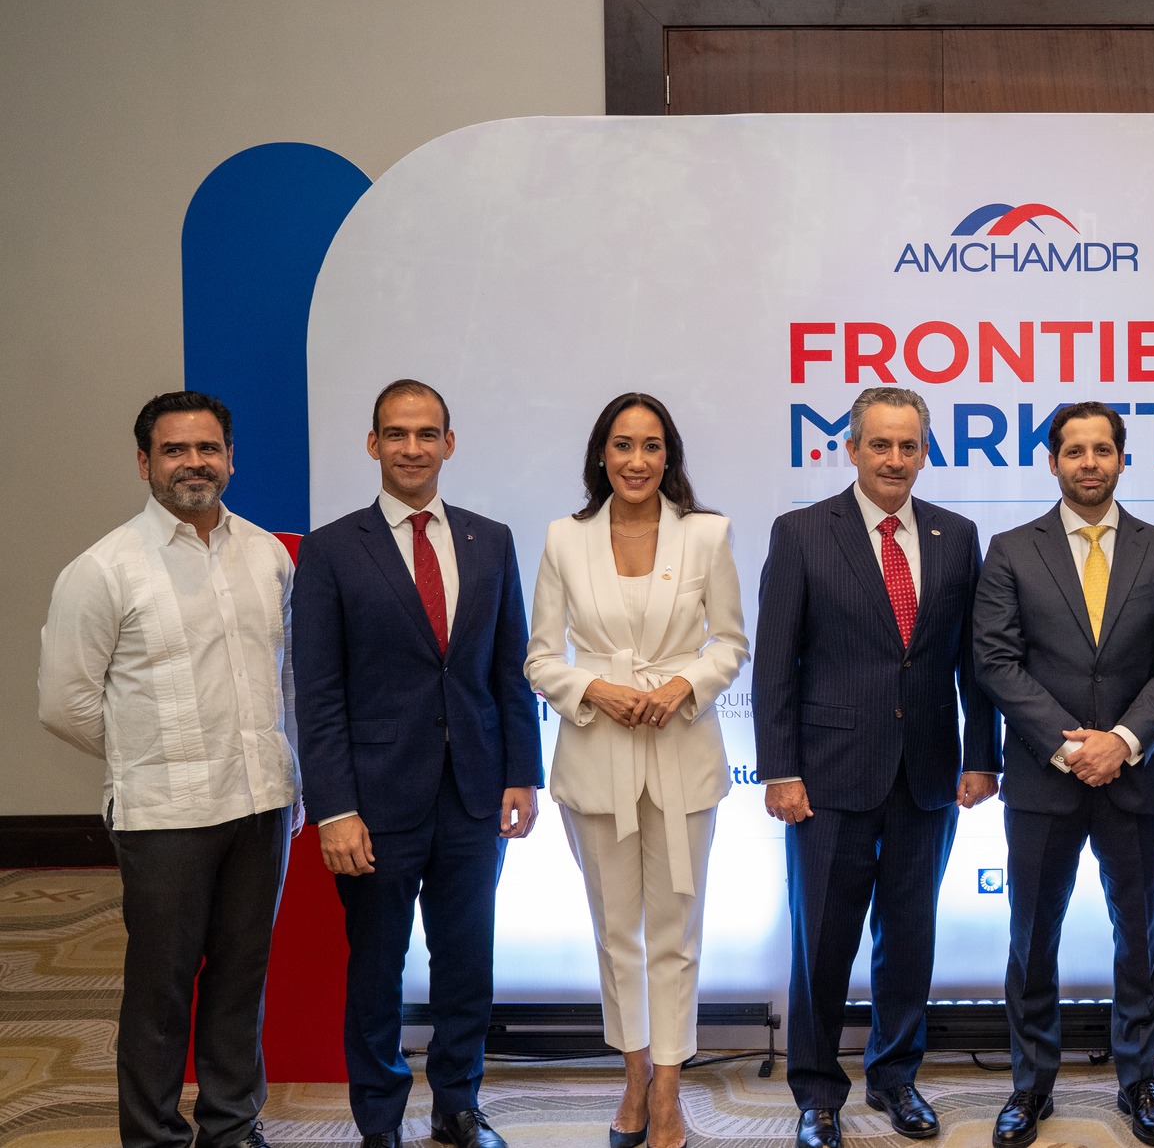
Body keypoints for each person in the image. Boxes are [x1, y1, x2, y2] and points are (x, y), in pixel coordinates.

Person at [38, 391, 300, 1148]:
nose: (194, 463)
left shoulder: (268, 555)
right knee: (161, 990)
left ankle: (231, 1126)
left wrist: (291, 777)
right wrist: (154, 753)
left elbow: (285, 677)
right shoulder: (104, 569)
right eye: (175, 450)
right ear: (144, 462)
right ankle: (152, 1137)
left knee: (241, 977)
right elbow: (64, 702)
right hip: (163, 815)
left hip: (261, 804)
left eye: (208, 448)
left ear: (230, 459)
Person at [294, 379, 544, 1148]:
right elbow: (319, 690)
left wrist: (522, 773)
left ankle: (458, 1104)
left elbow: (509, 669)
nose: (412, 447)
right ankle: (379, 1118)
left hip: (474, 793)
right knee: (376, 969)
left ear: (449, 443)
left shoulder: (490, 539)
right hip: (373, 803)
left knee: (467, 960)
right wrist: (334, 808)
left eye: (426, 433)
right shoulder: (332, 549)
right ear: (373, 444)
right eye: (397, 434)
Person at [752, 386, 1000, 1148]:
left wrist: (981, 754)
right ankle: (817, 1092)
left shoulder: (957, 535)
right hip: (827, 777)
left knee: (909, 940)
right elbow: (774, 662)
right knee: (823, 944)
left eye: (909, 446)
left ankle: (896, 1077)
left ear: (925, 452)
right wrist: (779, 768)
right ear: (852, 447)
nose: (895, 459)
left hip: (927, 774)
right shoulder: (801, 532)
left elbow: (973, 662)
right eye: (881, 443)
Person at [974, 401, 1154, 1148]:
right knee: (1032, 937)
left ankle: (1139, 1080)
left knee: (1140, 937)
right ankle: (1030, 1084)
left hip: (1137, 776)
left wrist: (1124, 741)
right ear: (1053, 462)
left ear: (1122, 459)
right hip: (1044, 780)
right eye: (1074, 450)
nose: (1089, 462)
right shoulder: (1011, 550)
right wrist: (1073, 747)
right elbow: (996, 661)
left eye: (1103, 449)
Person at [526, 393, 750, 1148]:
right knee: (615, 931)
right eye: (623, 445)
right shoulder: (564, 538)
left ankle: (668, 1088)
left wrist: (685, 683)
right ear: (601, 454)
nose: (637, 460)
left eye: (652, 446)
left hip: (683, 750)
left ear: (669, 456)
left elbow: (730, 642)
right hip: (597, 756)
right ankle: (633, 1073)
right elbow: (540, 657)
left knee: (676, 935)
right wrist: (594, 689)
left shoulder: (708, 533)